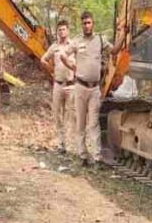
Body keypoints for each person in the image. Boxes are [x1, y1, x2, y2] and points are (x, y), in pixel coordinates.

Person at [62, 11, 111, 166]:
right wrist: (72, 67)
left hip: (95, 89)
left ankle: (97, 157)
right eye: (84, 23)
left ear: (93, 23)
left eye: (89, 22)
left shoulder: (101, 40)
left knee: (94, 123)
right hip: (80, 87)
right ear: (81, 25)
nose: (87, 25)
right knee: (81, 123)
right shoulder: (76, 42)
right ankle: (83, 155)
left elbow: (114, 50)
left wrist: (124, 34)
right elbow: (63, 54)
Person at [40, 19, 76, 153]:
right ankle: (61, 144)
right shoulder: (54, 46)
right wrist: (51, 70)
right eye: (59, 30)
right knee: (57, 115)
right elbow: (43, 59)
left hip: (71, 85)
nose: (62, 32)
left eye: (64, 29)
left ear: (68, 30)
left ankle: (70, 145)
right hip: (58, 85)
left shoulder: (74, 45)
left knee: (70, 115)